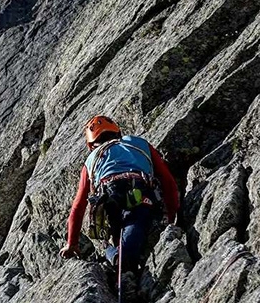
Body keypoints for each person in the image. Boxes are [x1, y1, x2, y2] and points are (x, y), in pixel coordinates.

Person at [59, 115, 179, 272]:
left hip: (108, 194)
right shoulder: (139, 144)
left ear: (91, 144)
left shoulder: (90, 160)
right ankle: (122, 260)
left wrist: (71, 242)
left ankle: (116, 258)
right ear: (118, 132)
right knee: (136, 221)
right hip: (139, 188)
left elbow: (78, 206)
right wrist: (171, 215)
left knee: (117, 231)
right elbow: (167, 181)